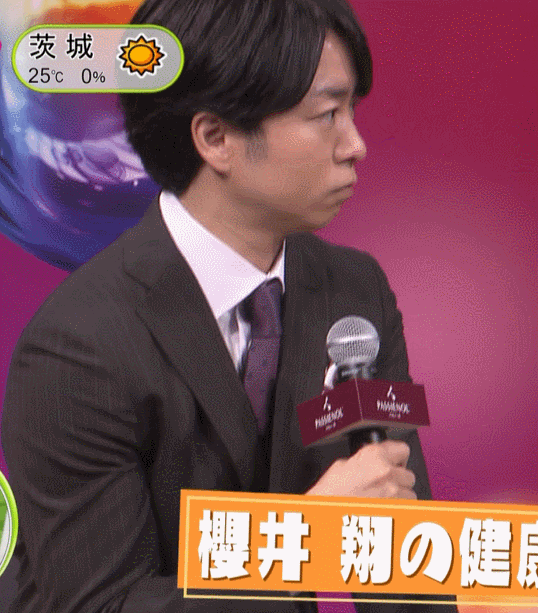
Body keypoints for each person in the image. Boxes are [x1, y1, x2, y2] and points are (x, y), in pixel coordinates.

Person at [2, 0, 457, 611]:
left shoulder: (354, 292)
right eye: (327, 114)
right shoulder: (76, 344)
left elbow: (404, 555)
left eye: (353, 111)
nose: (355, 146)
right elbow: (103, 603)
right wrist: (310, 537)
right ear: (215, 138)